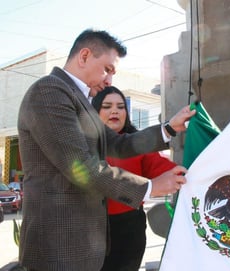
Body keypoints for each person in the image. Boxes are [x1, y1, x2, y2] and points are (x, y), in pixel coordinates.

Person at [17, 29, 195, 271]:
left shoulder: (82, 101)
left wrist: (168, 129)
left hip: (85, 247)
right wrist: (151, 187)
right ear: (85, 56)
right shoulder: (49, 92)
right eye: (107, 69)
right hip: (58, 247)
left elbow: (119, 144)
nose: (110, 80)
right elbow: (83, 168)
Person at [92, 86, 176, 271]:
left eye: (121, 107)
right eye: (107, 106)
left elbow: (165, 168)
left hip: (130, 231)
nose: (115, 111)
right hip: (91, 230)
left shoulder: (137, 143)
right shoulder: (83, 145)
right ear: (94, 111)